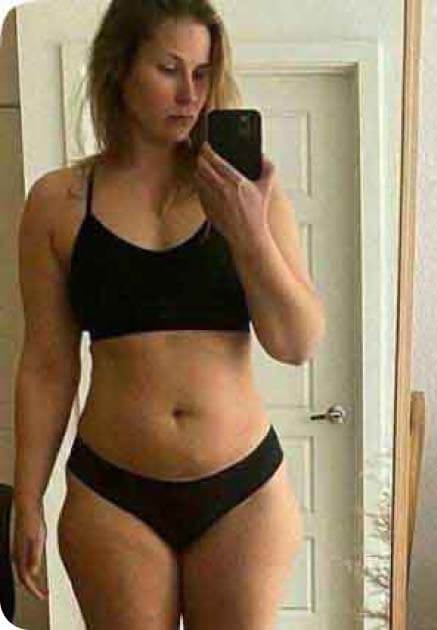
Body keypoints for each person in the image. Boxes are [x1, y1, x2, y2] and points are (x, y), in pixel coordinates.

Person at [12, 1, 324, 627]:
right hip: (112, 493)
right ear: (119, 68)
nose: (190, 94)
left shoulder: (250, 195)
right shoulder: (58, 202)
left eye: (203, 73)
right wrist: (26, 497)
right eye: (169, 69)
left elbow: (297, 343)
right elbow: (47, 365)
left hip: (243, 491)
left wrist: (248, 232)